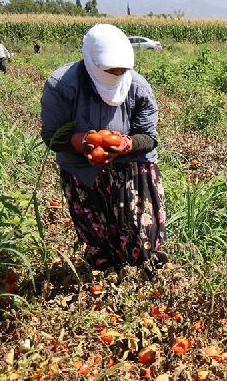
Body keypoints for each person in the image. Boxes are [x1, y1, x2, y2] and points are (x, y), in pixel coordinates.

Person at [40, 23, 168, 273]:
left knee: (142, 234)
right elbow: (52, 137)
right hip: (82, 171)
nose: (117, 73)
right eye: (111, 70)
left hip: (132, 167)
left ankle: (145, 279)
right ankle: (108, 280)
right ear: (91, 62)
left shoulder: (138, 87)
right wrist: (83, 141)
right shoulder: (63, 85)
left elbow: (149, 137)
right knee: (98, 233)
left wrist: (126, 144)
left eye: (122, 70)